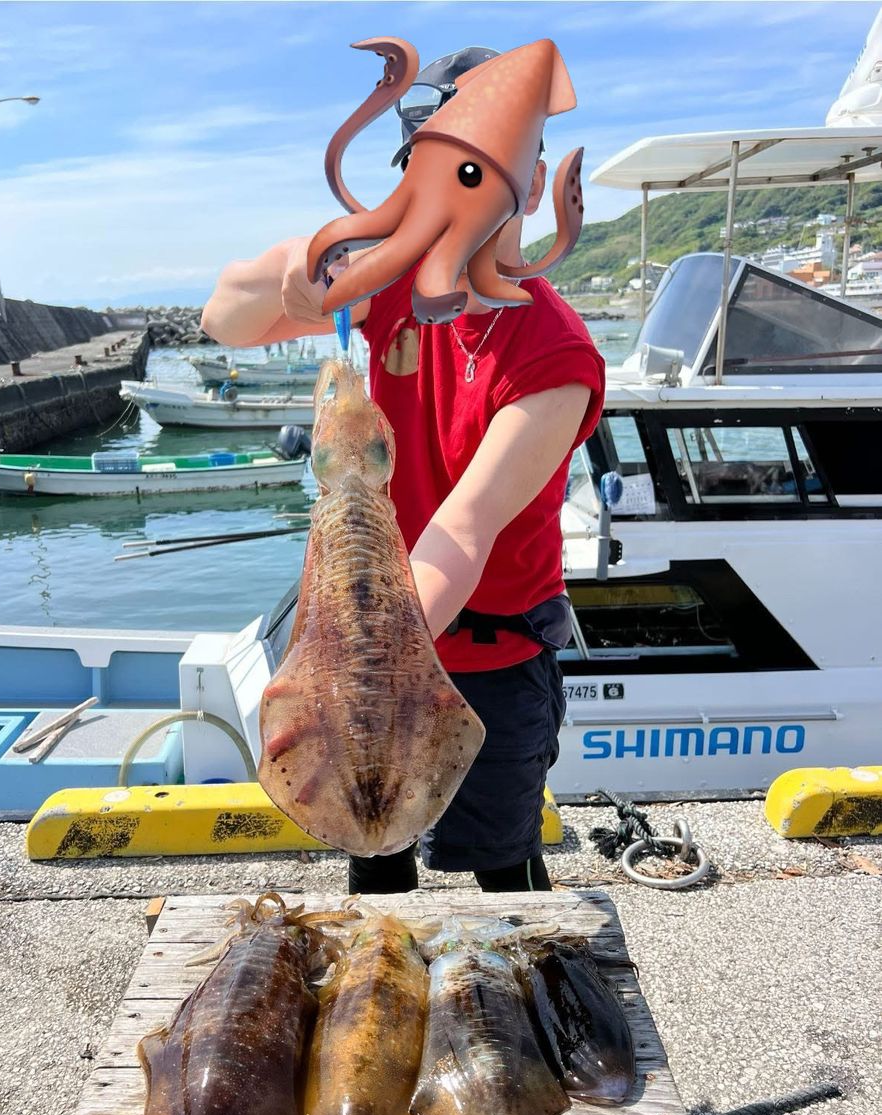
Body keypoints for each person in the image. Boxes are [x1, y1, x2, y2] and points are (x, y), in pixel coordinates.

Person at [202, 45, 605, 895]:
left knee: (503, 872)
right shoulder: (380, 289)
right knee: (374, 866)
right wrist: (297, 267)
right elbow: (226, 320)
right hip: (366, 649)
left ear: (530, 185)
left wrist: (355, 659)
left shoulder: (554, 355)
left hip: (490, 665)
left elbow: (463, 529)